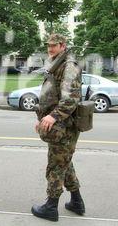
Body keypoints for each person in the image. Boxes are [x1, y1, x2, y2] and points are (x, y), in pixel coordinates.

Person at [31, 34, 85, 222]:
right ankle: (77, 202)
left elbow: (70, 98)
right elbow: (49, 95)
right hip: (57, 124)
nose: (50, 49)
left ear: (63, 46)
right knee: (64, 162)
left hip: (64, 126)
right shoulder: (56, 64)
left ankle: (51, 207)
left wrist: (53, 117)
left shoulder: (68, 66)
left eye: (54, 46)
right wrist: (42, 117)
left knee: (56, 165)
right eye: (48, 46)